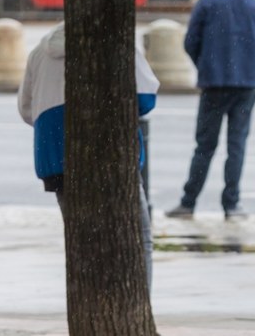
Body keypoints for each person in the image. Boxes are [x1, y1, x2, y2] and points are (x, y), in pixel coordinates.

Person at [17, 22, 159, 289]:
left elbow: (27, 109)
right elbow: (145, 99)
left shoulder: (39, 52)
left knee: (82, 241)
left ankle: (90, 306)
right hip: (110, 155)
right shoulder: (114, 41)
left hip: (57, 157)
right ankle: (137, 304)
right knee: (138, 237)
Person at [166, 0, 255, 220]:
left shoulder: (205, 5)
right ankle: (232, 205)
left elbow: (190, 43)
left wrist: (206, 65)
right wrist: (253, 68)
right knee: (236, 145)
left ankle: (188, 202)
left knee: (204, 145)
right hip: (247, 85)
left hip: (213, 84)